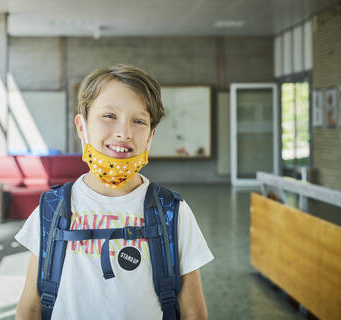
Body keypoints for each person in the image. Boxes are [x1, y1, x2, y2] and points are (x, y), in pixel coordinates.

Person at [14, 64, 214, 320]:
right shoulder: (52, 209)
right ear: (82, 126)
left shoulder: (172, 212)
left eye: (139, 121)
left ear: (150, 137)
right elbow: (30, 308)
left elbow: (193, 313)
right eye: (109, 116)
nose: (123, 132)